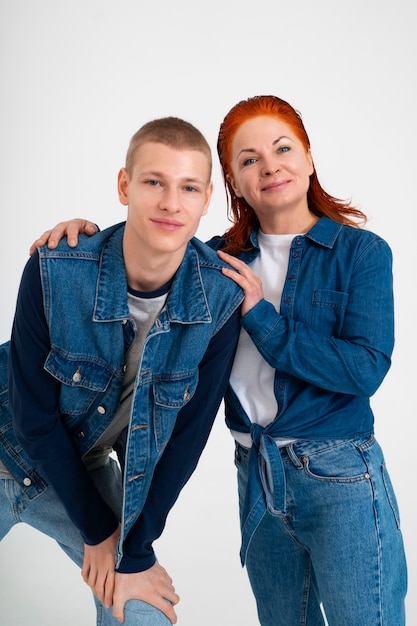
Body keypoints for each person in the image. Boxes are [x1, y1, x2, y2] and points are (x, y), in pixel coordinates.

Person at [33, 95, 408, 625]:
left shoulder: (362, 253)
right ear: (231, 182)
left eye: (283, 148)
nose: (270, 165)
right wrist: (81, 233)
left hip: (339, 474)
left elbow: (365, 369)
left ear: (308, 158)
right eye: (249, 159)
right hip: (254, 471)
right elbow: (149, 240)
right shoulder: (215, 260)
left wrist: (263, 319)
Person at [0, 116, 244, 625]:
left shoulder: (220, 299)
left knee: (143, 613)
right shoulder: (55, 268)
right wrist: (101, 533)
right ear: (124, 185)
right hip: (7, 442)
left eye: (189, 187)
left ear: (206, 199)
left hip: (79, 470)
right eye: (154, 181)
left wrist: (136, 548)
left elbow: (189, 437)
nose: (171, 203)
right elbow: (33, 419)